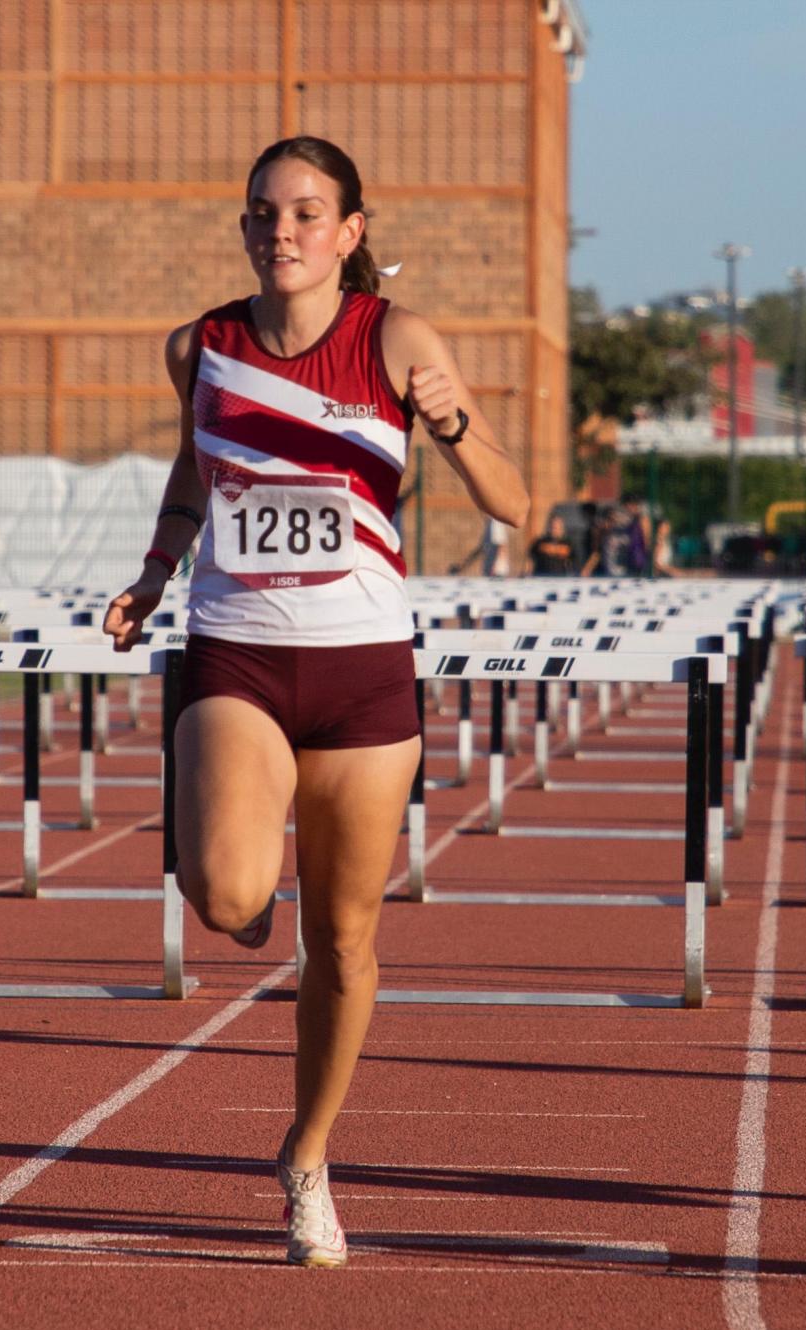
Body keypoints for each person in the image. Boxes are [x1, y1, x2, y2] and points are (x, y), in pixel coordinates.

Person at [102, 136, 528, 1267]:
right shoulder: (202, 344)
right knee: (226, 891)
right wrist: (154, 571)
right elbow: (196, 470)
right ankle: (239, 886)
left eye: (303, 214)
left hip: (361, 672)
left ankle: (306, 1154)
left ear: (348, 232)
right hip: (236, 651)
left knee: (341, 941)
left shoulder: (394, 339)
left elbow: (515, 500)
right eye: (260, 213)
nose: (278, 231)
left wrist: (448, 421)